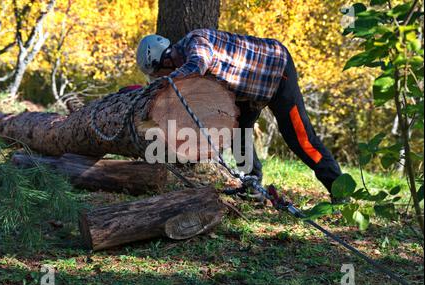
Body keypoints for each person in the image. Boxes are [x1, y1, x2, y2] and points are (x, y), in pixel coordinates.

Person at [136, 29, 343, 200]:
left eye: (159, 73)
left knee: (300, 137)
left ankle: (339, 191)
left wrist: (164, 84)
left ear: (165, 60)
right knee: (237, 134)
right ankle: (253, 186)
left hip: (276, 69)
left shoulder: (196, 42)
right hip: (249, 90)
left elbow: (198, 64)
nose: (162, 77)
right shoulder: (184, 58)